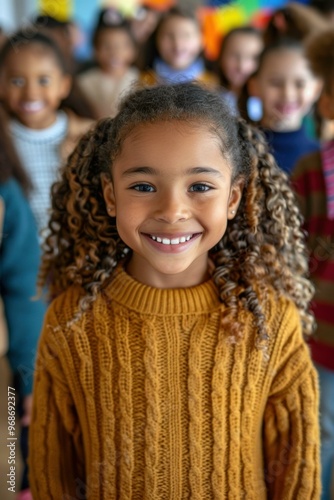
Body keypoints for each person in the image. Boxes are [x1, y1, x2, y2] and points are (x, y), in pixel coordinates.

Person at [29, 83, 320, 498]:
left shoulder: (270, 322)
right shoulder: (71, 321)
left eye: (200, 187)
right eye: (143, 187)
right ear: (110, 195)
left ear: (234, 198)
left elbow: (297, 469)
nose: (171, 211)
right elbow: (50, 470)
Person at [292, 28, 334, 500]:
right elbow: (289, 256)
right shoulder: (309, 171)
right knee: (320, 435)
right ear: (327, 103)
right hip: (321, 339)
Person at [0, 31, 94, 239]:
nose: (31, 93)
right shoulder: (4, 140)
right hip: (26, 262)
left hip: (77, 256)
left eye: (43, 80)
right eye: (17, 81)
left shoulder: (87, 135)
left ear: (64, 85)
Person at [0, 106, 46, 500]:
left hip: (5, 372)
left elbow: (24, 287)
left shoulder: (4, 194)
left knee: (9, 469)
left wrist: (30, 376)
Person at [243, 38, 321, 175]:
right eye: (276, 83)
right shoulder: (238, 152)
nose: (288, 95)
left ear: (316, 89)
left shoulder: (322, 159)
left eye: (299, 84)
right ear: (253, 86)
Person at [140, 7, 217, 86]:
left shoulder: (212, 84)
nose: (177, 44)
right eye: (169, 35)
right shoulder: (144, 82)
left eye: (186, 35)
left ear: (202, 40)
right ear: (156, 38)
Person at [77, 20, 139, 119]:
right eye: (107, 46)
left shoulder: (140, 78)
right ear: (95, 50)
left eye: (122, 46)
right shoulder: (84, 82)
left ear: (133, 50)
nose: (114, 52)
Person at [217, 26, 263, 115]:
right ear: (221, 56)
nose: (242, 66)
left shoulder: (266, 101)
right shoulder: (212, 96)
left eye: (252, 58)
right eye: (234, 55)